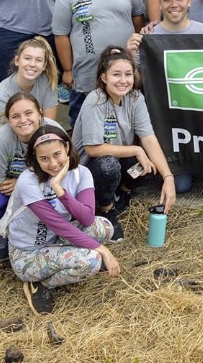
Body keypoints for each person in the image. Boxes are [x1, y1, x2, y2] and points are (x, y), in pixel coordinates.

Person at [10, 125, 121, 315]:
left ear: (67, 148)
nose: (53, 164)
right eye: (44, 159)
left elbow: (86, 218)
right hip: (27, 252)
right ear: (35, 159)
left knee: (104, 227)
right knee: (92, 261)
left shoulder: (81, 173)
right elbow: (58, 225)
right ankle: (41, 284)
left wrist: (60, 190)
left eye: (57, 154)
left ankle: (63, 261)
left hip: (55, 241)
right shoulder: (28, 181)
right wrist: (102, 250)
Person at [74, 47, 176, 242]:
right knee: (108, 166)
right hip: (87, 169)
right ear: (104, 77)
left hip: (119, 159)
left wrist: (168, 177)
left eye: (128, 74)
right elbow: (92, 149)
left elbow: (148, 137)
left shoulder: (135, 98)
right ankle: (106, 210)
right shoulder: (95, 100)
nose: (123, 80)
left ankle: (122, 193)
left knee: (150, 166)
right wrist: (137, 150)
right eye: (116, 74)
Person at [54, 0, 146, 124]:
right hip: (87, 71)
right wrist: (66, 70)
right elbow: (60, 34)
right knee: (84, 119)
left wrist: (136, 50)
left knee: (127, 119)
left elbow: (137, 16)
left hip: (124, 67)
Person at [0, 92, 58, 261]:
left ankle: (52, 232)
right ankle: (6, 232)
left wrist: (21, 184)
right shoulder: (1, 139)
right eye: (15, 116)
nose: (23, 120)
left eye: (29, 113)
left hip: (46, 185)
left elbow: (63, 170)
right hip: (7, 189)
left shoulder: (53, 132)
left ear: (40, 113)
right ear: (8, 120)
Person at [0, 37, 60, 159]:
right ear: (17, 60)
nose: (32, 64)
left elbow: (48, 125)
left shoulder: (47, 83)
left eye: (38, 60)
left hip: (32, 128)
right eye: (27, 58)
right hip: (4, 132)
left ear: (44, 66)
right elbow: (4, 135)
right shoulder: (1, 94)